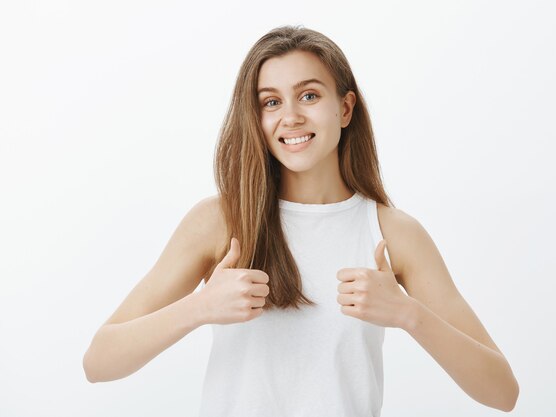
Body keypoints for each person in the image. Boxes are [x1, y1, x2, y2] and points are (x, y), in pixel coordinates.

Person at [83, 25, 519, 415]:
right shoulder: (219, 221)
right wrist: (199, 308)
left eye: (309, 95)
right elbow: (99, 362)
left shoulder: (393, 234)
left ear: (345, 109)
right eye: (271, 102)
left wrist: (408, 314)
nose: (290, 116)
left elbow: (502, 392)